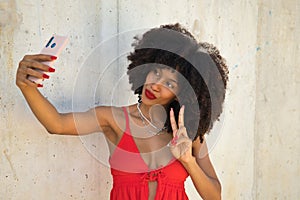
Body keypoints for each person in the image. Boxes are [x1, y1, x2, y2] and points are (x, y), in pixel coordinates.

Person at [16, 23, 229, 200]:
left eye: (170, 83)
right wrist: (27, 86)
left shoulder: (188, 133)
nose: (156, 84)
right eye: (156, 72)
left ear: (184, 95)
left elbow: (214, 196)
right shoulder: (113, 119)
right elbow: (57, 124)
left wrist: (188, 161)